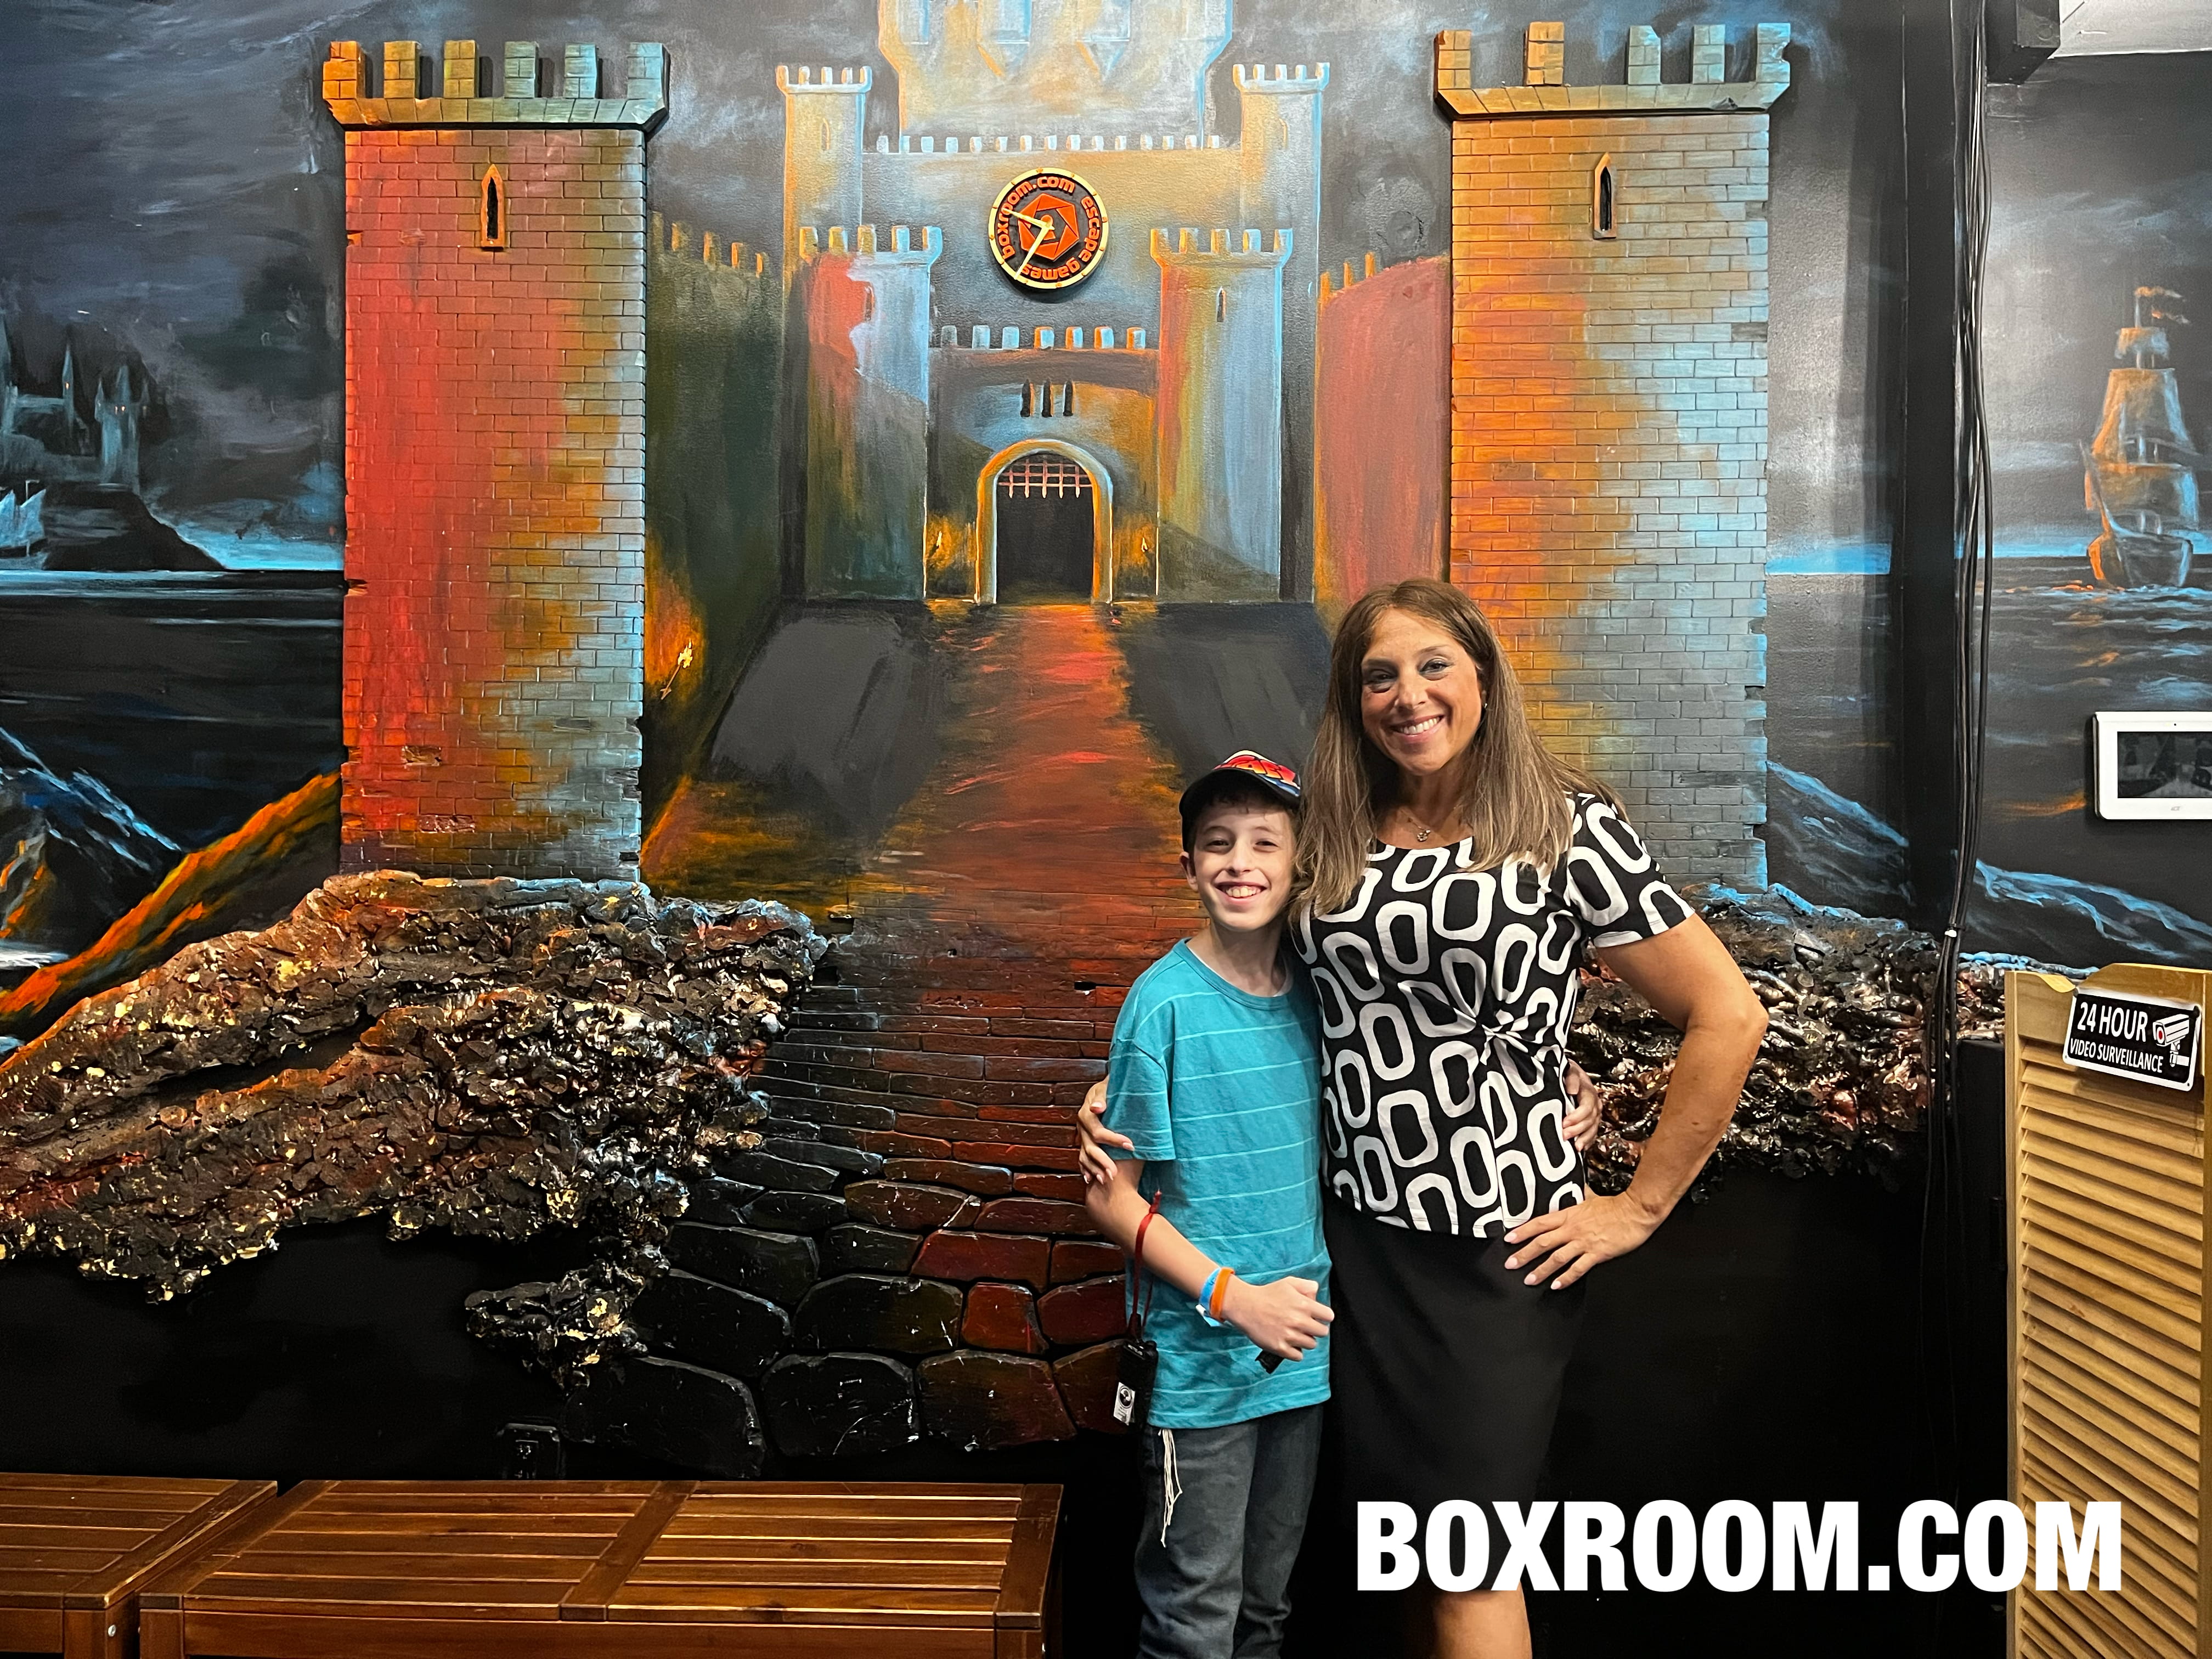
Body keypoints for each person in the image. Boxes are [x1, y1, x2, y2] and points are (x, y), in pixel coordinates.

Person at [1082, 579, 1767, 1659]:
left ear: (1484, 677)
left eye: (1434, 665)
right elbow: (1267, 988)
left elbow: (1728, 1013)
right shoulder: (1335, 831)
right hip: (1353, 1244)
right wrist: (1128, 1087)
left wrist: (1636, 1207)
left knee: (1467, 1564)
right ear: (1354, 700)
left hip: (1497, 1250)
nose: (1409, 695)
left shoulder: (1565, 827)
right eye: (1381, 675)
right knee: (1401, 1552)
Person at [1082, 751, 1336, 1659]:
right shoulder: (1163, 1006)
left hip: (1301, 1355)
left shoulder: (1323, 995)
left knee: (1266, 1609)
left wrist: (1567, 1080)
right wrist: (1234, 1299)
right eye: (1218, 843)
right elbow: (1113, 1202)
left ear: (1300, 863)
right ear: (1188, 865)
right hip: (1201, 1370)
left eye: (1265, 843)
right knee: (1196, 1617)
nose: (1240, 863)